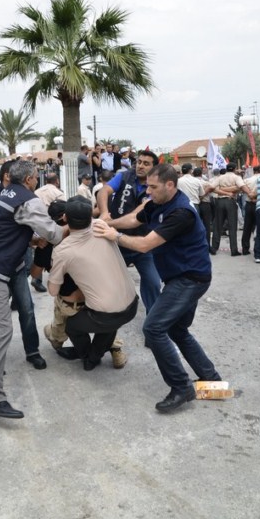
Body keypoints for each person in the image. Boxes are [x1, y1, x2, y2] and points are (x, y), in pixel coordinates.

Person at [94, 163, 221, 413]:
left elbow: (145, 245)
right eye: (147, 187)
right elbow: (135, 218)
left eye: (153, 187)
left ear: (170, 185)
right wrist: (110, 223)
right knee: (177, 330)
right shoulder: (157, 203)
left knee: (153, 328)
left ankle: (181, 387)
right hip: (180, 277)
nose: (148, 192)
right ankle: (212, 380)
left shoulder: (181, 212)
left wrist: (114, 236)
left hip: (190, 279)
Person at [0, 160, 66, 420]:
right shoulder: (29, 200)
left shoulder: (7, 193)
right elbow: (55, 234)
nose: (36, 179)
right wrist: (74, 224)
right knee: (1, 330)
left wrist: (31, 240)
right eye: (35, 176)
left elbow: (7, 226)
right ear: (31, 179)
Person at [48, 197, 138, 371]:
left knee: (72, 327)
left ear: (65, 218)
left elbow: (52, 291)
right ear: (91, 216)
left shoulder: (63, 250)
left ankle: (89, 357)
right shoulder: (101, 226)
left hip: (105, 316)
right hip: (132, 305)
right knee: (109, 323)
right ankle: (94, 356)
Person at [96, 150, 161, 313]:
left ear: (154, 168)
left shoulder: (155, 187)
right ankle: (106, 316)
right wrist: (104, 212)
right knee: (106, 283)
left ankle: (153, 319)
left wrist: (109, 223)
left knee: (153, 282)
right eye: (139, 162)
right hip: (115, 243)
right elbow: (104, 191)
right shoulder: (124, 176)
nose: (140, 166)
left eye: (146, 163)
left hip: (142, 244)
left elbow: (134, 217)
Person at [210, 162, 251, 256]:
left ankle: (214, 248)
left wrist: (223, 189)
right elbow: (241, 187)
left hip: (220, 201)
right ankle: (234, 250)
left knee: (217, 225)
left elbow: (212, 187)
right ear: (235, 169)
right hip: (231, 201)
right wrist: (249, 193)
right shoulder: (236, 177)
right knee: (232, 226)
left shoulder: (220, 177)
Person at [241, 165, 260, 256]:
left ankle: (245, 249)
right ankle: (258, 250)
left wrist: (250, 195)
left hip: (249, 204)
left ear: (254, 171)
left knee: (247, 227)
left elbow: (241, 188)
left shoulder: (247, 180)